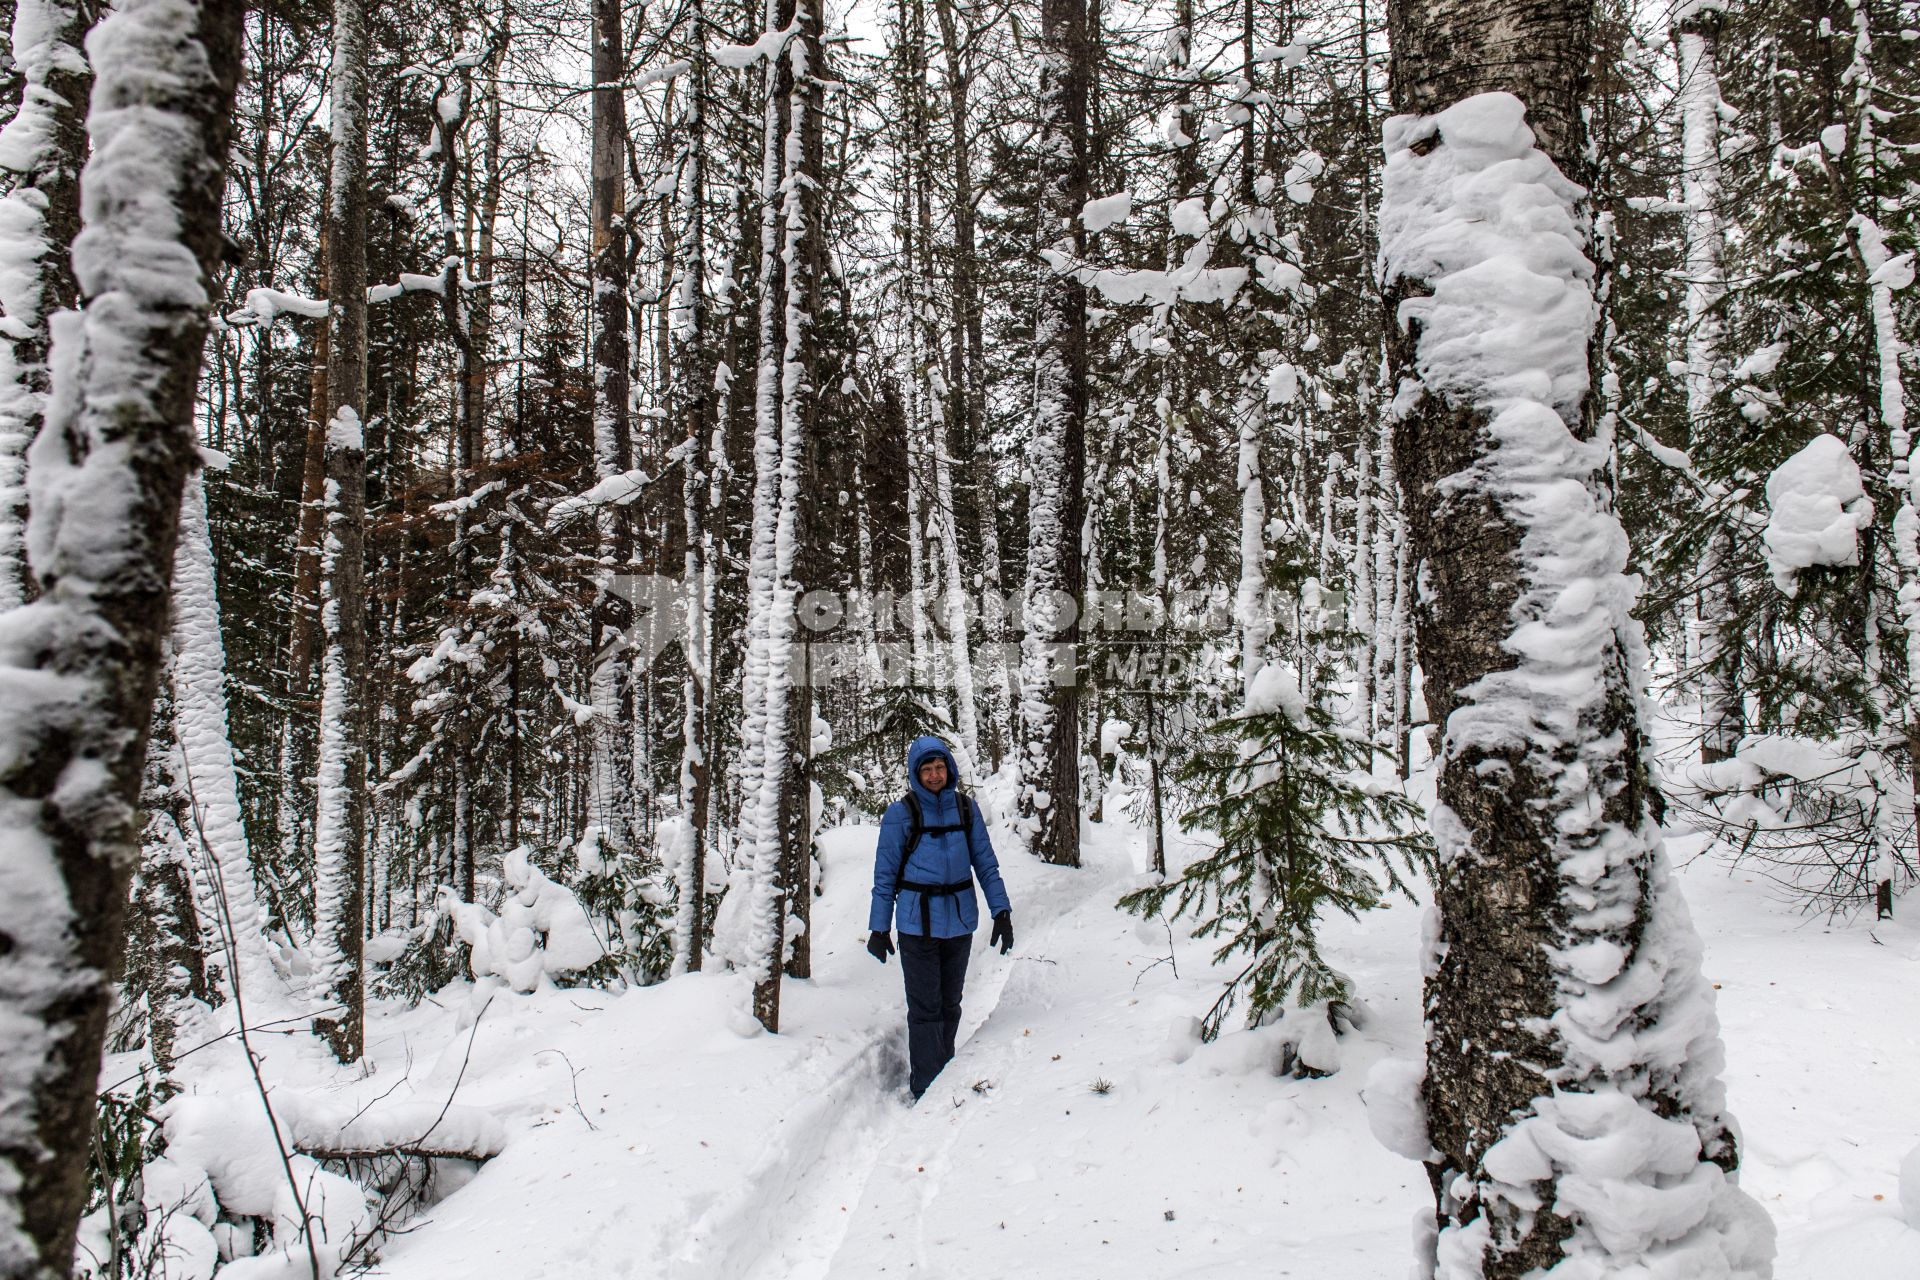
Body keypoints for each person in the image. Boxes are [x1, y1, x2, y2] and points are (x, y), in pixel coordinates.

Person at [867, 735, 1013, 1100]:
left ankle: (944, 1071)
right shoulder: (901, 814)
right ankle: (927, 1087)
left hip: (959, 921)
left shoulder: (966, 809)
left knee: (950, 1003)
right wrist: (879, 927)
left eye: (940, 767)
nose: (934, 775)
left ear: (950, 769)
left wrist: (1002, 910)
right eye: (927, 769)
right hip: (917, 924)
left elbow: (986, 864)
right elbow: (884, 877)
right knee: (925, 1007)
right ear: (916, 774)